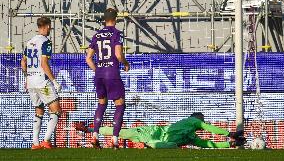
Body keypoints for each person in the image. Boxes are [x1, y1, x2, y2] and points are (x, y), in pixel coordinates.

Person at [86, 8, 130, 149]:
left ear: (104, 19)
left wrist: (98, 70)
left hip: (99, 75)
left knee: (102, 104)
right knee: (120, 105)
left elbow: (88, 58)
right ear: (115, 19)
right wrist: (126, 63)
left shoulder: (97, 35)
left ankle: (95, 136)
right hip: (112, 74)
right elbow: (118, 54)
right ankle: (115, 140)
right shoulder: (117, 33)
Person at [75, 112, 246, 149]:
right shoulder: (193, 121)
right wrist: (229, 134)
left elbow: (208, 144)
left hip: (159, 140)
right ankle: (90, 129)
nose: (202, 125)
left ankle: (148, 145)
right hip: (155, 132)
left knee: (172, 146)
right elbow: (208, 128)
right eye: (202, 122)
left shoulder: (191, 137)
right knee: (122, 132)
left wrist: (229, 144)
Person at [21, 17, 62, 150]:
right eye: (50, 26)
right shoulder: (46, 42)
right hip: (41, 81)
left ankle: (35, 143)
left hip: (31, 82)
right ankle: (46, 140)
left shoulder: (30, 42)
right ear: (47, 26)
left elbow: (23, 62)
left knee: (39, 110)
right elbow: (44, 63)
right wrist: (54, 81)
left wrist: (27, 78)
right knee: (56, 109)